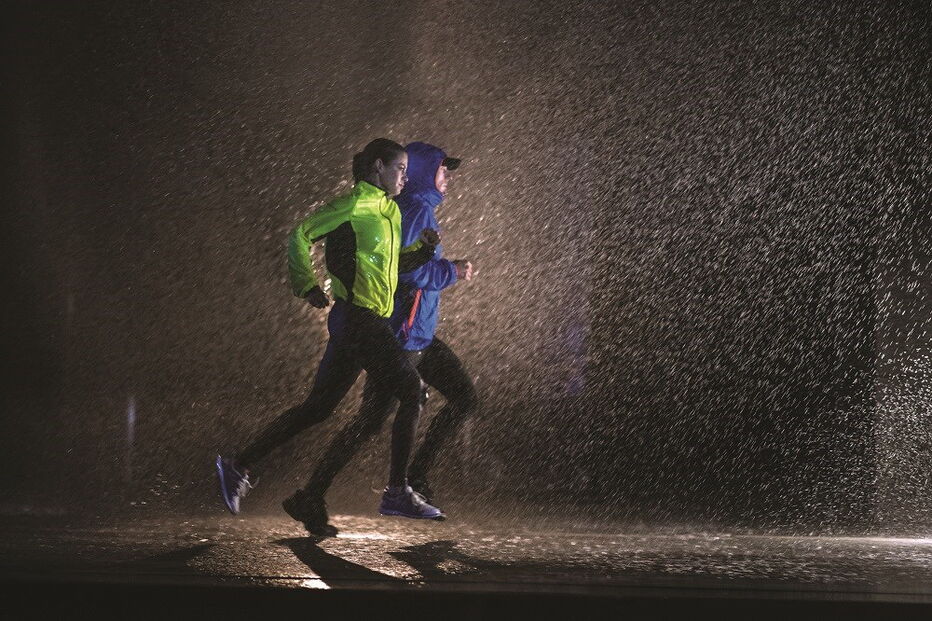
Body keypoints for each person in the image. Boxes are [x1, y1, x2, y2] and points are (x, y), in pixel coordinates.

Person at [216, 138, 445, 523]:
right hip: (358, 320)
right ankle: (397, 492)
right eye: (400, 168)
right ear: (378, 167)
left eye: (406, 170)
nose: (405, 177)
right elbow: (301, 233)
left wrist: (421, 254)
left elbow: (383, 265)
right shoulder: (354, 205)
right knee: (412, 391)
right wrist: (306, 284)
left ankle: (238, 464)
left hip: (363, 322)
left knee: (318, 408)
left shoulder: (387, 210)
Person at [286, 141, 478, 536]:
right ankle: (324, 492)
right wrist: (450, 272)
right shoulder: (414, 208)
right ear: (427, 172)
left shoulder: (415, 207)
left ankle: (410, 479)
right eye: (444, 170)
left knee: (459, 397)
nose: (449, 179)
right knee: (370, 421)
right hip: (403, 335)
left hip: (418, 333)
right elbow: (401, 274)